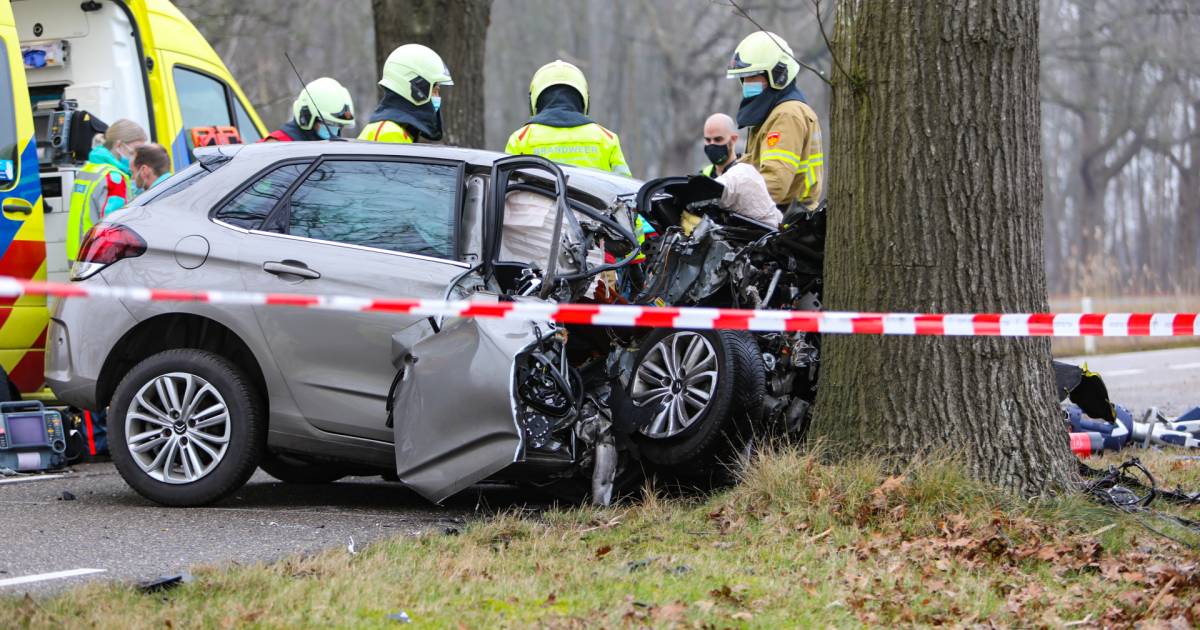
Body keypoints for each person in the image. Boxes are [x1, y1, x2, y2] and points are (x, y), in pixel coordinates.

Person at [726, 31, 824, 212]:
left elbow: (774, 185)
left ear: (778, 74)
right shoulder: (770, 113)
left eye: (754, 76)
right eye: (744, 77)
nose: (747, 83)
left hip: (786, 223)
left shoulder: (786, 115)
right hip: (774, 215)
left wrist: (727, 203)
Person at [505, 60, 631, 176]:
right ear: (583, 97)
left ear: (535, 98)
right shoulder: (606, 139)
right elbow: (624, 190)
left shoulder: (521, 139)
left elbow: (506, 187)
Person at [66, 119, 146, 262]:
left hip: (78, 254)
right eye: (135, 151)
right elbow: (115, 227)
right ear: (119, 145)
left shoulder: (88, 170)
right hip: (100, 257)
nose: (137, 157)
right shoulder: (114, 177)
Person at [698, 113, 781, 228]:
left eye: (718, 139)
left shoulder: (746, 176)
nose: (712, 145)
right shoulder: (703, 176)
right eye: (708, 140)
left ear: (733, 139)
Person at [358, 44, 452, 143]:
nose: (437, 97)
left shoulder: (398, 129)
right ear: (418, 89)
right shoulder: (389, 132)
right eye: (435, 91)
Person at [262, 77, 356, 142]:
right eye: (329, 123)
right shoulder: (275, 145)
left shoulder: (334, 150)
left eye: (339, 125)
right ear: (307, 117)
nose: (334, 129)